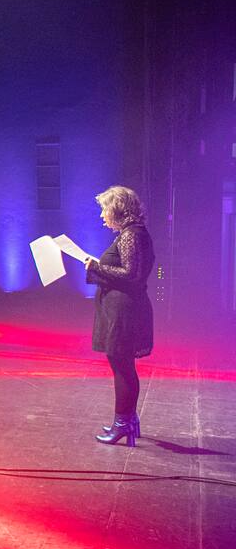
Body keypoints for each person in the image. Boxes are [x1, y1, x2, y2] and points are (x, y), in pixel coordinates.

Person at [84, 186, 155, 446]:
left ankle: (123, 423)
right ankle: (126, 420)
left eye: (105, 209)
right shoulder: (130, 234)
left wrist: (97, 267)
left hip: (125, 312)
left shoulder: (132, 235)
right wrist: (99, 268)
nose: (103, 215)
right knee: (122, 367)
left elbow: (132, 276)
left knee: (123, 368)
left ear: (118, 209)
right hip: (121, 310)